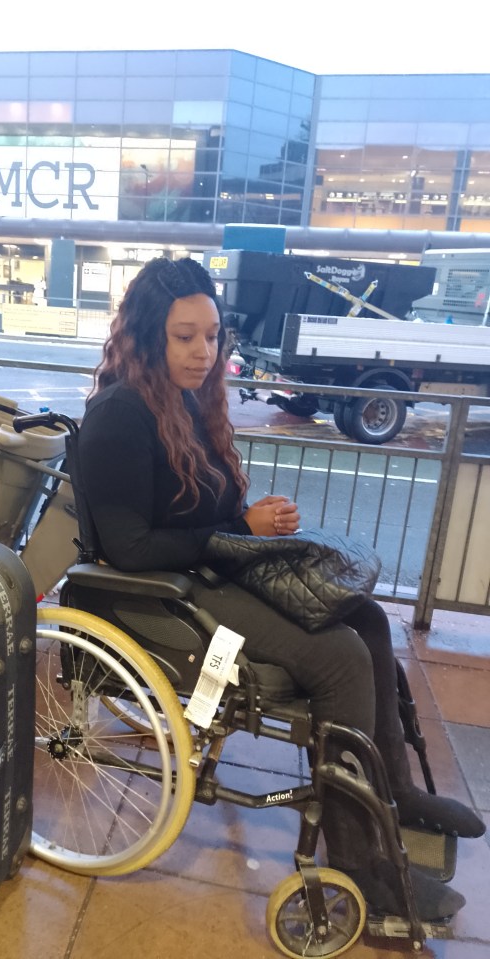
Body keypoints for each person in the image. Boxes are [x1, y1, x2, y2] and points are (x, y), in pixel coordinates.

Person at [78, 256, 485, 922]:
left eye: (212, 335)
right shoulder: (120, 414)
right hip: (165, 593)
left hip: (212, 570)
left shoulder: (182, 402)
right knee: (339, 656)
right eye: (185, 336)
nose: (203, 351)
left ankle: (397, 792)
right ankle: (362, 860)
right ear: (151, 335)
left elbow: (196, 511)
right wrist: (240, 526)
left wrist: (251, 523)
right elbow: (129, 547)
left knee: (369, 619)